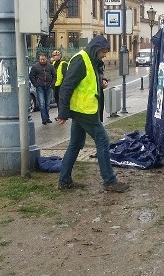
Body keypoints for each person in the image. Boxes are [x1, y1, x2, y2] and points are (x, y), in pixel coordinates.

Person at [56, 36, 129, 193]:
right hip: (84, 112)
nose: (104, 55)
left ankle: (64, 180)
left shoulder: (90, 60)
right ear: (96, 49)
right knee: (102, 140)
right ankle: (109, 181)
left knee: (75, 144)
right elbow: (66, 86)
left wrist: (101, 80)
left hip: (84, 111)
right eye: (103, 52)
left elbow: (89, 80)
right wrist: (62, 112)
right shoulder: (80, 60)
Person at [29, 53, 56, 125]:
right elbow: (31, 76)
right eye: (41, 59)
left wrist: (52, 84)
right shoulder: (35, 67)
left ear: (46, 59)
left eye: (43, 59)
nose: (42, 60)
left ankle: (47, 118)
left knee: (47, 103)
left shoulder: (50, 67)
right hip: (40, 87)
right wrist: (36, 84)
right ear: (39, 59)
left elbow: (54, 76)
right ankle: (44, 119)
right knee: (42, 103)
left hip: (48, 86)